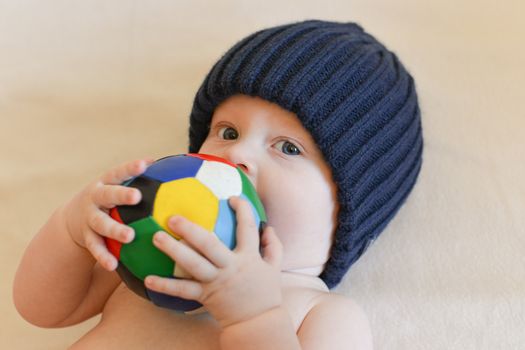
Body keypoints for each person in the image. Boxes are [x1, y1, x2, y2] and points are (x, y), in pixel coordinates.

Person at [13, 19, 423, 349]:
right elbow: (41, 311)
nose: (238, 154)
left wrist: (254, 318)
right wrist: (71, 230)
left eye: (288, 148)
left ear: (349, 213)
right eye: (227, 132)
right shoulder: (148, 252)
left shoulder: (322, 313)